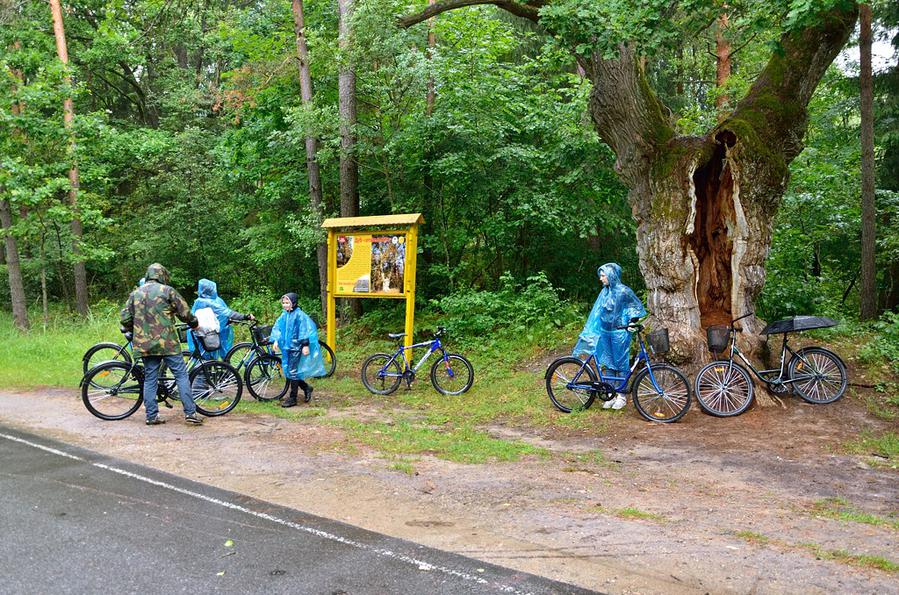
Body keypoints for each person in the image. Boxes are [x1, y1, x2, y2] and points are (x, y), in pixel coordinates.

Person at [121, 263, 204, 425]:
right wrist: (194, 324)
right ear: (162, 275)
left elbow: (124, 319)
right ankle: (190, 414)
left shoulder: (135, 294)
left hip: (145, 345)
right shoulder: (168, 291)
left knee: (150, 378)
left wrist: (134, 328)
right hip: (168, 344)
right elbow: (185, 313)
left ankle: (152, 416)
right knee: (181, 375)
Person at [573, 263, 646, 410]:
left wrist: (632, 322)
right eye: (600, 275)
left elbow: (635, 307)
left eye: (603, 275)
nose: (601, 279)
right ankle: (610, 393)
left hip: (619, 332)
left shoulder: (624, 291)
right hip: (604, 332)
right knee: (608, 362)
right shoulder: (604, 292)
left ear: (611, 275)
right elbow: (596, 313)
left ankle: (621, 395)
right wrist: (592, 330)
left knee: (620, 363)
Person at [270, 293, 326, 407]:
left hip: (296, 347)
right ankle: (306, 387)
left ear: (293, 303)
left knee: (292, 372)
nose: (285, 305)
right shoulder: (284, 315)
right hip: (286, 347)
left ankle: (293, 398)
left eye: (287, 303)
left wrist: (305, 345)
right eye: (284, 303)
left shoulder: (299, 315)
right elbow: (278, 328)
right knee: (289, 371)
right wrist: (276, 340)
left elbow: (304, 330)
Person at [186, 278, 254, 360]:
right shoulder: (208, 302)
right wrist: (245, 316)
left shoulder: (199, 301)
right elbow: (227, 312)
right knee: (205, 356)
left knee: (203, 356)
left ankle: (206, 370)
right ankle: (203, 371)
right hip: (206, 333)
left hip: (200, 332)